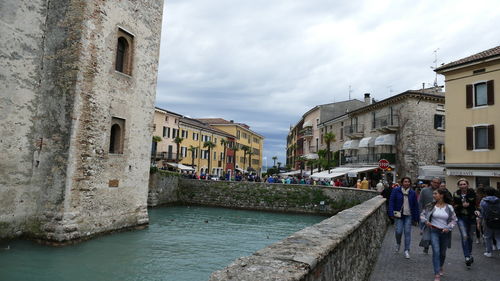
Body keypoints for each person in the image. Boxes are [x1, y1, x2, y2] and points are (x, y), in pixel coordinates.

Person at [421, 188, 457, 281]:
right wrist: (426, 222)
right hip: (434, 231)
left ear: (441, 195)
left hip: (445, 232)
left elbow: (454, 220)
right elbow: (422, 215)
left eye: (435, 194)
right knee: (436, 252)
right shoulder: (430, 206)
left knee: (442, 253)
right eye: (433, 194)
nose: (433, 195)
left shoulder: (449, 207)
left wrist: (448, 228)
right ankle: (437, 273)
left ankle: (440, 266)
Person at [388, 177, 420, 259]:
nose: (407, 183)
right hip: (399, 215)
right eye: (405, 181)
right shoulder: (396, 190)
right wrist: (391, 212)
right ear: (402, 183)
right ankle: (398, 243)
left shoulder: (412, 193)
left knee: (407, 232)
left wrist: (416, 218)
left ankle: (406, 250)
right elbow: (391, 201)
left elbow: (415, 205)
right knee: (398, 231)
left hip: (408, 215)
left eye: (408, 182)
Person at [452, 178, 477, 266]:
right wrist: (460, 205)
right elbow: (453, 205)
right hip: (461, 217)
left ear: (467, 185)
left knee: (470, 237)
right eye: (461, 184)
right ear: (458, 186)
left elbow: (476, 204)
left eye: (464, 184)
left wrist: (472, 206)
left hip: (471, 218)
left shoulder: (473, 193)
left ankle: (469, 254)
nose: (462, 186)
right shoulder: (455, 194)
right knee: (464, 236)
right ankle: (466, 256)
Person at [418, 177, 442, 253]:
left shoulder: (442, 192)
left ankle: (432, 245)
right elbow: (420, 202)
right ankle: (426, 245)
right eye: (434, 182)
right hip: (427, 214)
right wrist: (420, 213)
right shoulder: (424, 190)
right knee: (427, 230)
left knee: (435, 231)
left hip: (438, 214)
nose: (436, 184)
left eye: (438, 183)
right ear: (431, 182)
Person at [480, 186, 500, 257]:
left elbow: (482, 213)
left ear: (486, 193)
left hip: (487, 221)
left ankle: (489, 252)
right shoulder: (499, 200)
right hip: (498, 220)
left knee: (487, 237)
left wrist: (480, 220)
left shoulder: (483, 201)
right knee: (498, 236)